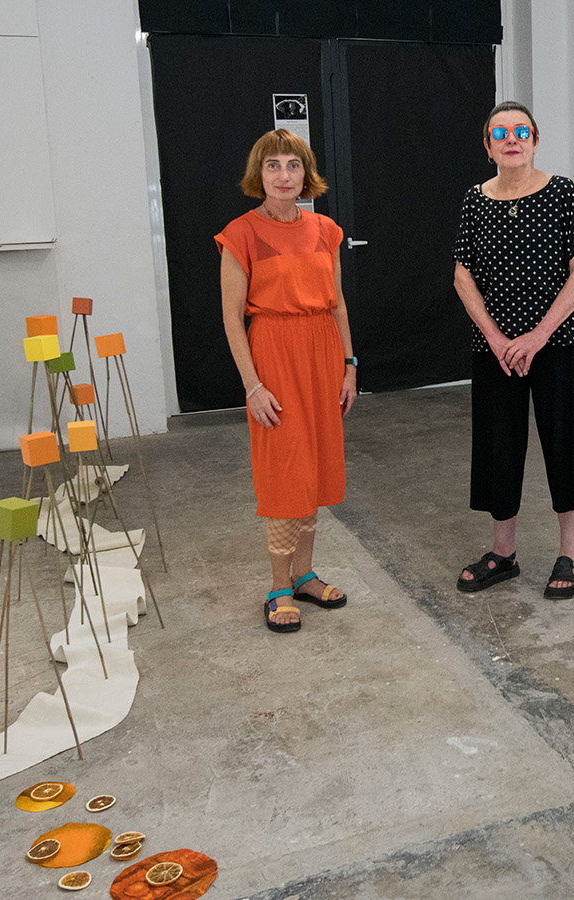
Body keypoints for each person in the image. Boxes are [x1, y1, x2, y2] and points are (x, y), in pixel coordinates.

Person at [216, 129, 358, 632]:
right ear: (260, 174)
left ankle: (304, 575)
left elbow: (337, 302)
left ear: (306, 173)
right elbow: (234, 318)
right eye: (273, 166)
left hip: (323, 353)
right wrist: (253, 386)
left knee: (315, 466)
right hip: (274, 354)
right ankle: (278, 586)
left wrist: (349, 364)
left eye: (292, 166)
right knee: (285, 469)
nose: (283, 176)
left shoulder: (326, 230)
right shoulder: (241, 234)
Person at [453, 101, 574, 599]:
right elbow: (462, 274)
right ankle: (503, 553)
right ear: (488, 145)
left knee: (563, 443)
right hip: (494, 349)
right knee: (498, 446)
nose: (511, 140)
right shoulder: (475, 200)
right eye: (500, 133)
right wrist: (495, 337)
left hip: (554, 344)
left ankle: (572, 554)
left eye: (521, 131)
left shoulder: (561, 194)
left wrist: (537, 336)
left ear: (535, 140)